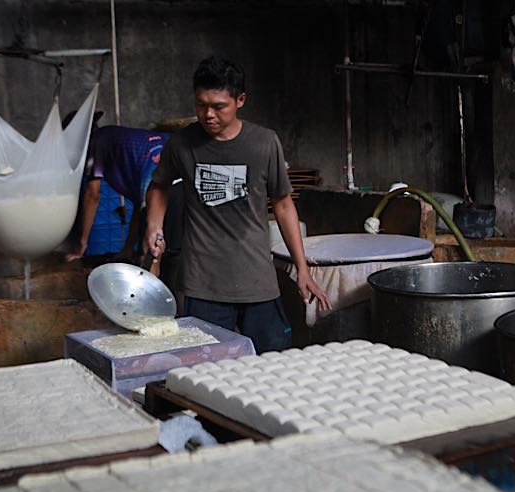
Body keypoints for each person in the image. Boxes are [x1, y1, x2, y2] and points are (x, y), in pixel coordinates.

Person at [143, 56, 331, 353]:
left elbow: (283, 204)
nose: (208, 114)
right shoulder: (181, 144)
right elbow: (158, 187)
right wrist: (155, 229)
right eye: (201, 104)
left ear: (240, 100)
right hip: (202, 283)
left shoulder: (264, 143)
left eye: (218, 106)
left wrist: (302, 268)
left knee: (273, 364)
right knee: (206, 371)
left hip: (257, 280)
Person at [64, 114, 170, 262]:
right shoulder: (113, 138)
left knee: (149, 242)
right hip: (169, 148)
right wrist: (127, 249)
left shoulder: (97, 143)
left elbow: (92, 195)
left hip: (155, 162)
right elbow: (139, 207)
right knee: (151, 220)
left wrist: (81, 245)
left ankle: (149, 269)